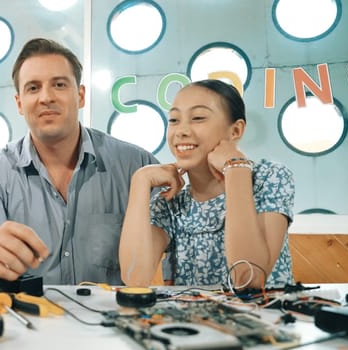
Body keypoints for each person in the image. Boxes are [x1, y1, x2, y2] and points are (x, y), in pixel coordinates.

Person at [0, 38, 158, 285]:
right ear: (19, 103)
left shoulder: (137, 166)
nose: (46, 97)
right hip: (24, 320)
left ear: (80, 96)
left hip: (118, 320)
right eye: (32, 88)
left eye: (59, 85)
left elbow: (177, 251)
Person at [119, 79, 294, 289]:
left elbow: (248, 279)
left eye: (198, 118)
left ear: (236, 130)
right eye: (174, 120)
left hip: (265, 319)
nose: (181, 131)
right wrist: (140, 181)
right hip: (194, 321)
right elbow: (135, 278)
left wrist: (236, 168)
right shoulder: (170, 203)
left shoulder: (269, 177)